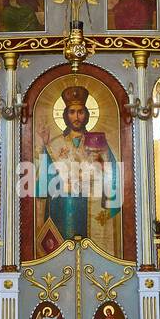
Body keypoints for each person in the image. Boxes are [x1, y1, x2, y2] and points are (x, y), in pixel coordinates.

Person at [36, 85, 120, 253]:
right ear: (66, 116)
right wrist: (42, 147)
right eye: (72, 112)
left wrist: (110, 201)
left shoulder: (99, 143)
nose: (76, 117)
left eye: (80, 112)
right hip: (63, 207)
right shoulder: (54, 145)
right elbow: (43, 185)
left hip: (92, 204)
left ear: (87, 115)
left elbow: (112, 174)